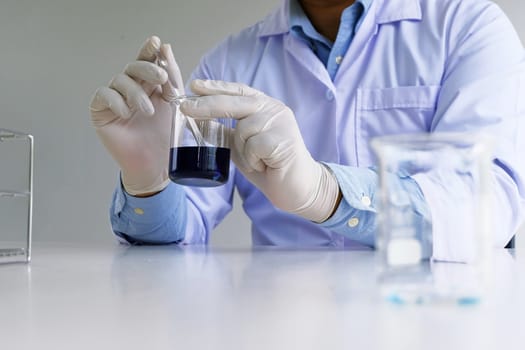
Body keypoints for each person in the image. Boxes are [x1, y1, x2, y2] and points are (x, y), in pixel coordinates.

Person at [89, 0, 525, 261]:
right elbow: (184, 236)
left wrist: (326, 192)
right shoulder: (230, 62)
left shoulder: (467, 27)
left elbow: (489, 204)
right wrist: (149, 181)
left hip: (430, 315)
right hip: (280, 322)